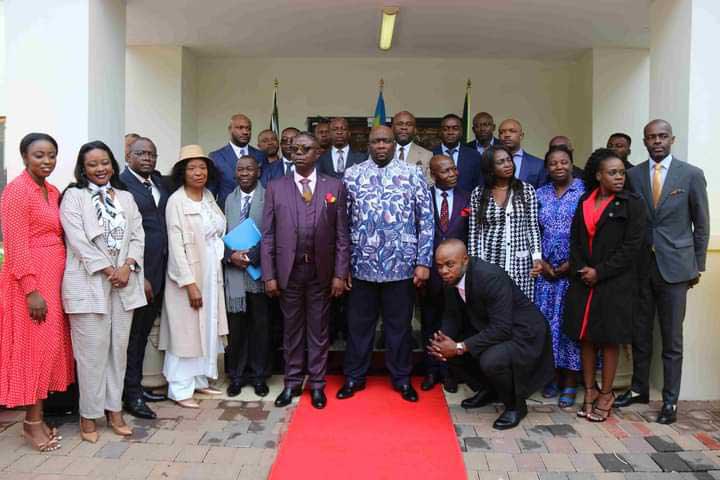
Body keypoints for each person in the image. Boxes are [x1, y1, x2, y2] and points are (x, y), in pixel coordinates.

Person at [616, 120, 709, 425]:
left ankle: (670, 401)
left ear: (672, 139)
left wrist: (697, 265)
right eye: (651, 137)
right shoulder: (633, 175)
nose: (657, 141)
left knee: (671, 338)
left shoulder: (691, 175)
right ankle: (639, 388)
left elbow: (701, 224)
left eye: (662, 136)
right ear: (644, 142)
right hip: (641, 268)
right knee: (640, 332)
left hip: (676, 268)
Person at [339, 125, 434, 403]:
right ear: (367, 144)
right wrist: (342, 265)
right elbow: (342, 225)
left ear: (395, 144)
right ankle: (354, 376)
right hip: (361, 266)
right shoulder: (353, 175)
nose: (381, 146)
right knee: (358, 327)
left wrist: (423, 261)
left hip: (401, 266)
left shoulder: (413, 174)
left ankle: (402, 378)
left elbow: (426, 222)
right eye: (376, 141)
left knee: (399, 328)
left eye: (386, 141)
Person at [60, 141, 146, 442]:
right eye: (93, 164)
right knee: (91, 355)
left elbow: (138, 235)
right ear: (83, 168)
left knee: (117, 352)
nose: (100, 168)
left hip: (125, 285)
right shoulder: (74, 196)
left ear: (113, 164)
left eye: (104, 162)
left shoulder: (125, 196)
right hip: (89, 285)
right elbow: (78, 241)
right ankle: (89, 415)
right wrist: (109, 270)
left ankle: (115, 411)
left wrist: (128, 266)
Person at [261, 132, 350, 410]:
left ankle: (318, 385)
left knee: (319, 331)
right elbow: (268, 236)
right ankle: (291, 383)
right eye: (294, 148)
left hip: (321, 273)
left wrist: (339, 273)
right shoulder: (276, 187)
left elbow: (342, 236)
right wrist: (269, 275)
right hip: (288, 272)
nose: (298, 152)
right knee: (291, 330)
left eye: (305, 148)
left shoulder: (334, 186)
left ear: (318, 152)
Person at [0, 133, 75, 452]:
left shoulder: (53, 190)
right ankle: (30, 423)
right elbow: (15, 245)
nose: (46, 161)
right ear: (24, 157)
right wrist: (31, 290)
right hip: (29, 283)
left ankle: (39, 416)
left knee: (48, 353)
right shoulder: (17, 191)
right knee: (33, 353)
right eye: (39, 155)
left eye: (51, 155)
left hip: (53, 279)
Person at [429, 239, 554, 430]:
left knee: (490, 360)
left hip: (524, 332)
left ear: (465, 260)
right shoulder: (451, 280)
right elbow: (451, 316)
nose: (443, 271)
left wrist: (459, 347)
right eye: (439, 266)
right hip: (492, 328)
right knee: (449, 352)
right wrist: (442, 342)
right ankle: (489, 390)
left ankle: (515, 406)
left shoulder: (489, 277)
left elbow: (502, 328)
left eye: (449, 264)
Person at [563, 148, 646, 422]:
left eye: (622, 172)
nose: (619, 177)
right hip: (583, 282)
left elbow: (632, 248)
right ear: (599, 175)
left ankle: (606, 393)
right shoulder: (585, 200)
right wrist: (581, 270)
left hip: (613, 284)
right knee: (586, 338)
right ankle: (588, 391)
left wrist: (600, 272)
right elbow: (575, 240)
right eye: (612, 173)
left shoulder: (632, 203)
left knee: (608, 339)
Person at [160, 145, 229, 409]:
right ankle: (179, 389)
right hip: (189, 276)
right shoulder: (177, 201)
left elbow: (218, 230)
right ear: (182, 172)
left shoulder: (209, 196)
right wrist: (189, 283)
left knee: (207, 328)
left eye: (202, 167)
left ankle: (200, 380)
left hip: (212, 270)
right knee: (186, 332)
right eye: (191, 168)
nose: (198, 172)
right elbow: (176, 246)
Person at [120, 136, 170, 420]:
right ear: (129, 156)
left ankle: (136, 386)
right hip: (139, 273)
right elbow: (126, 235)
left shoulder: (159, 183)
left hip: (160, 271)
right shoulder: (121, 186)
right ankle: (131, 395)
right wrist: (140, 274)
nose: (148, 159)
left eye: (152, 154)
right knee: (133, 337)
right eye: (141, 154)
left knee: (141, 335)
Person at [534, 145, 585, 407]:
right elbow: (531, 230)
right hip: (544, 275)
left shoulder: (584, 192)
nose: (559, 167)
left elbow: (590, 234)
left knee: (569, 329)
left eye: (564, 162)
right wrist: (540, 261)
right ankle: (550, 377)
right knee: (545, 329)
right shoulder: (539, 194)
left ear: (572, 164)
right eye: (553, 163)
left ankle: (570, 383)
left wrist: (571, 264)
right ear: (547, 168)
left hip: (573, 275)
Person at [419, 154, 470, 393]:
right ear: (433, 174)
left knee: (455, 325)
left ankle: (451, 372)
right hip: (429, 273)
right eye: (446, 171)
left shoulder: (466, 198)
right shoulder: (422, 197)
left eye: (453, 169)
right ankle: (431, 371)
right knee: (430, 324)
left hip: (458, 275)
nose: (453, 174)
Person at [468, 145, 542, 300]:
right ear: (490, 168)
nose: (508, 164)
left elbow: (532, 227)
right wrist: (475, 265)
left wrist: (536, 257)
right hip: (489, 264)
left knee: (520, 313)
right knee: (494, 310)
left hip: (520, 265)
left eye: (509, 160)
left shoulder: (526, 190)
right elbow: (475, 232)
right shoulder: (479, 193)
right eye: (501, 162)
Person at [224, 155, 271, 398]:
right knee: (237, 329)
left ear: (258, 172)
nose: (244, 173)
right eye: (240, 169)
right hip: (233, 275)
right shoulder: (228, 200)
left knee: (260, 328)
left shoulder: (268, 197)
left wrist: (253, 255)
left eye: (249, 169)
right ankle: (236, 376)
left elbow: (274, 232)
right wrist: (230, 255)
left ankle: (259, 376)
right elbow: (216, 235)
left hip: (259, 274)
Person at [209, 114, 268, 207]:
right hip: (227, 212)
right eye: (240, 128)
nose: (245, 132)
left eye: (248, 128)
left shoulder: (260, 155)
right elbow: (211, 191)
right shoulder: (216, 157)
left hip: (255, 213)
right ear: (230, 129)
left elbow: (264, 185)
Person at [432, 114, 482, 193]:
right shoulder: (431, 154)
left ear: (461, 131)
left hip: (467, 202)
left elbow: (479, 184)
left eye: (455, 129)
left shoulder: (474, 155)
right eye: (446, 129)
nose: (450, 132)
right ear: (440, 132)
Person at [498, 119, 547, 188]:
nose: (507, 135)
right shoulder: (490, 163)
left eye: (512, 131)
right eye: (502, 132)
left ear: (521, 136)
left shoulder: (538, 165)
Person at [392, 110, 434, 183]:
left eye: (409, 124)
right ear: (392, 128)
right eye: (400, 124)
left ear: (415, 130)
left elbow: (430, 183)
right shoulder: (381, 152)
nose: (404, 127)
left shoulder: (427, 155)